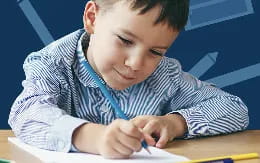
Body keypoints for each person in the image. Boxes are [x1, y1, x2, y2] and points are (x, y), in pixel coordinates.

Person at [9, 0, 249, 159]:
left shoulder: (165, 75)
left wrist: (174, 124)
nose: (136, 63)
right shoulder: (53, 63)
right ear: (92, 17)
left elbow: (234, 109)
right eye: (125, 40)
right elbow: (26, 114)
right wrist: (95, 137)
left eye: (155, 52)